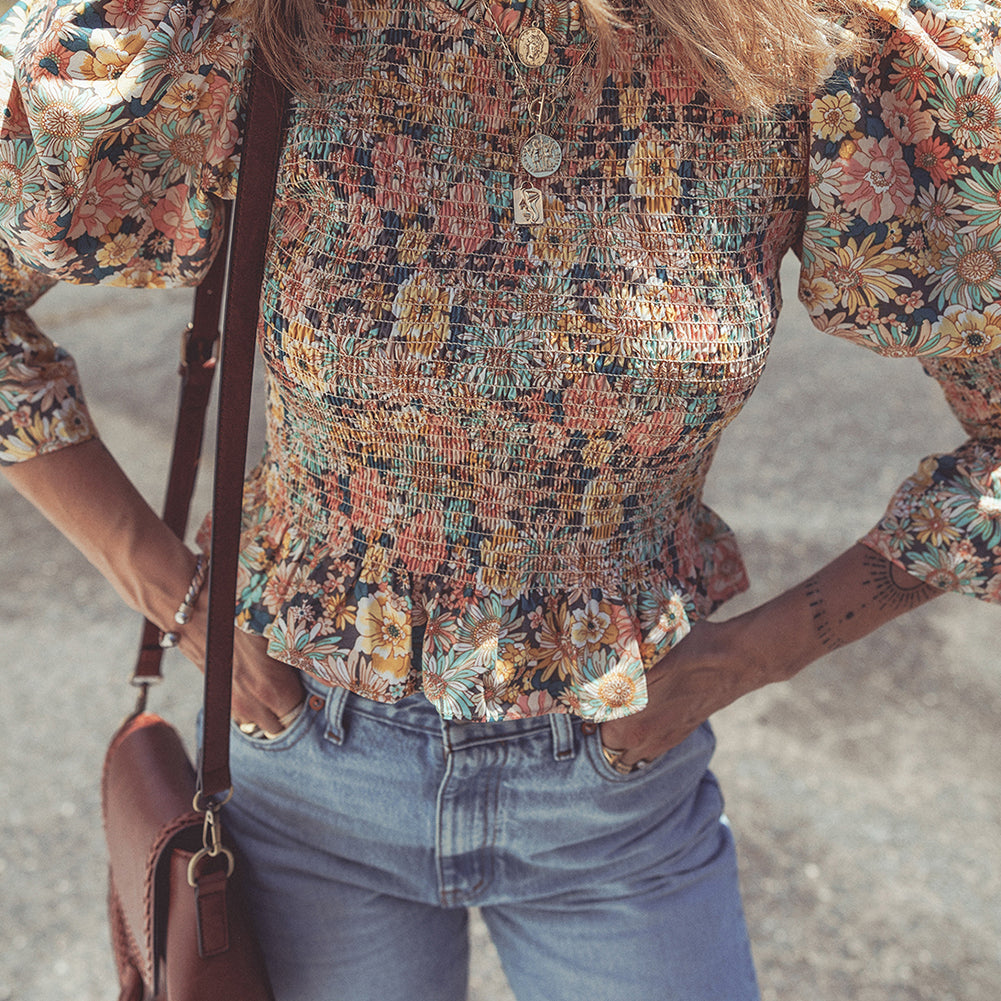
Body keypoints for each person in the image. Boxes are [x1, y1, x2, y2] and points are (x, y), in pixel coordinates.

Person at [0, 0, 999, 998]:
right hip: (306, 777)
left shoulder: (799, 44)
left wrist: (761, 650)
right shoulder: (260, 24)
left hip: (620, 801)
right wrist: (174, 595)